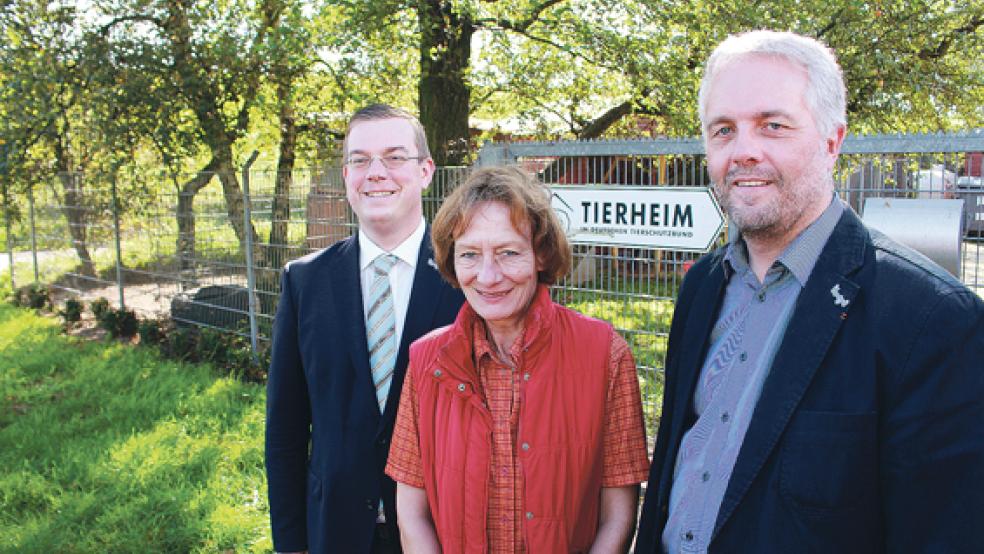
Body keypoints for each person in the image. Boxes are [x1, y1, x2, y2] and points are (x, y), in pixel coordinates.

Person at [635, 30, 984, 553]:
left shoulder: (932, 320)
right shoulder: (702, 287)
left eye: (772, 126)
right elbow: (672, 466)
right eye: (723, 129)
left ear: (831, 140)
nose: (743, 151)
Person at [384, 166, 650, 553]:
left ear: (541, 254)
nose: (488, 277)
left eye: (508, 253)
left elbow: (619, 515)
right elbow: (411, 513)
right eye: (470, 255)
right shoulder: (426, 361)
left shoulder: (605, 354)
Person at [265, 104, 465, 554]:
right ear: (346, 174)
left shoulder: (466, 278)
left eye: (395, 157)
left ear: (426, 170)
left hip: (442, 531)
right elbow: (286, 429)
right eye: (360, 160)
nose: (376, 172)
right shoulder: (304, 282)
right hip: (334, 530)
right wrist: (290, 542)